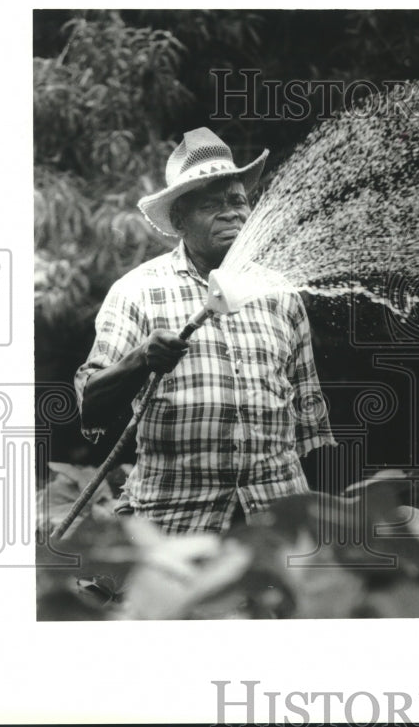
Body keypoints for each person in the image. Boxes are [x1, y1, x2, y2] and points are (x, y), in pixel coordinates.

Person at [74, 127, 334, 534]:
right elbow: (91, 404)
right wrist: (141, 358)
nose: (231, 213)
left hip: (275, 528)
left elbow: (311, 420)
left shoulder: (279, 293)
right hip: (176, 525)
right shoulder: (137, 292)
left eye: (237, 201)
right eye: (212, 204)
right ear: (180, 220)